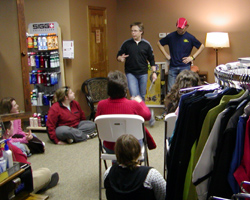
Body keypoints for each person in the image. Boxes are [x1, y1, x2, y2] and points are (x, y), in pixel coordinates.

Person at [95, 70, 156, 153]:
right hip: (132, 147)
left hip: (110, 148)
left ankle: (116, 163)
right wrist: (140, 102)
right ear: (125, 88)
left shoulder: (101, 105)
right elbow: (148, 116)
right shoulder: (133, 104)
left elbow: (98, 124)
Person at [117, 22, 157, 126]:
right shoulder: (126, 44)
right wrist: (120, 58)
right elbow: (119, 55)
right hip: (131, 73)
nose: (133, 33)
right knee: (134, 96)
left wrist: (154, 73)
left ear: (141, 32)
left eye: (135, 31)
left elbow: (152, 60)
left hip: (143, 73)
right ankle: (141, 118)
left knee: (142, 96)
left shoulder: (146, 45)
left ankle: (146, 116)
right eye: (132, 31)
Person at [103, 134, 166, 200]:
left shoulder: (108, 174)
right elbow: (165, 196)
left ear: (116, 153)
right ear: (139, 152)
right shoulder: (151, 175)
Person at [3, 121, 59, 193]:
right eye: (12, 126)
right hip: (14, 188)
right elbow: (27, 172)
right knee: (46, 172)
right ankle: (42, 186)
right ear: (7, 131)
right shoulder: (13, 150)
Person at [157, 17, 204, 92]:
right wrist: (166, 55)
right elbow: (159, 43)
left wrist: (192, 57)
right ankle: (172, 104)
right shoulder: (171, 36)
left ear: (186, 27)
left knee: (185, 90)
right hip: (173, 67)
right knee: (171, 91)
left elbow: (202, 46)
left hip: (185, 67)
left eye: (182, 28)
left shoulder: (190, 37)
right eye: (178, 28)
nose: (180, 30)